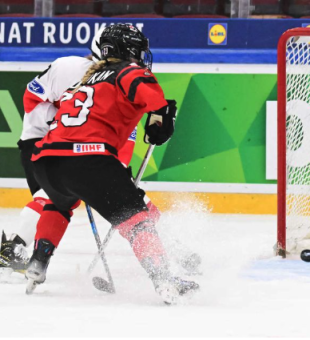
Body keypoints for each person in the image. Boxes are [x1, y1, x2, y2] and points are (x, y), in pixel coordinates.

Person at [0, 33, 199, 281]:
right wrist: (56, 128)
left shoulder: (101, 78)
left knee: (61, 198)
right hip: (44, 140)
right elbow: (34, 96)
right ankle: (13, 248)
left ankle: (169, 246)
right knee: (53, 197)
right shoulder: (89, 71)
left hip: (59, 148)